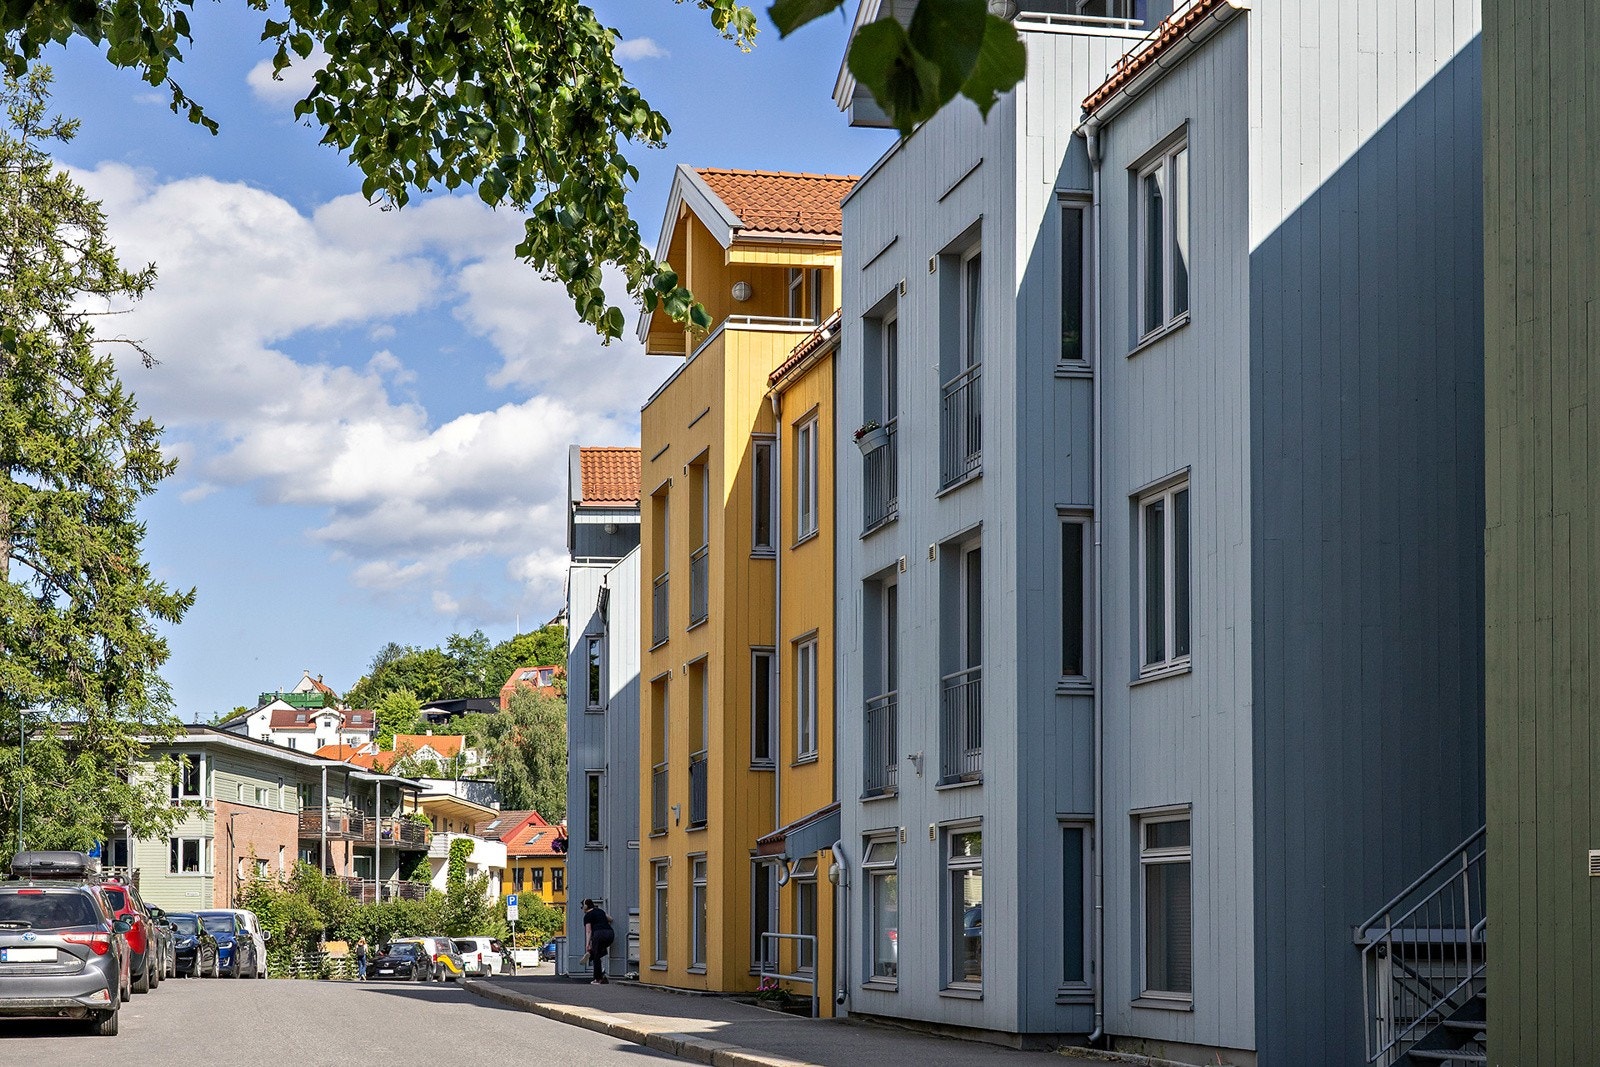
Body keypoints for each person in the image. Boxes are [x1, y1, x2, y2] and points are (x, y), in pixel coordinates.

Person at [581, 898, 613, 985]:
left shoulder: (587, 916)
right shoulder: (600, 911)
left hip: (598, 934)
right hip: (610, 934)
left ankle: (597, 979)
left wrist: (587, 944)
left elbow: (588, 931)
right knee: (599, 951)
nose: (582, 908)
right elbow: (610, 919)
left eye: (582, 906)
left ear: (585, 906)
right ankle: (602, 972)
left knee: (596, 956)